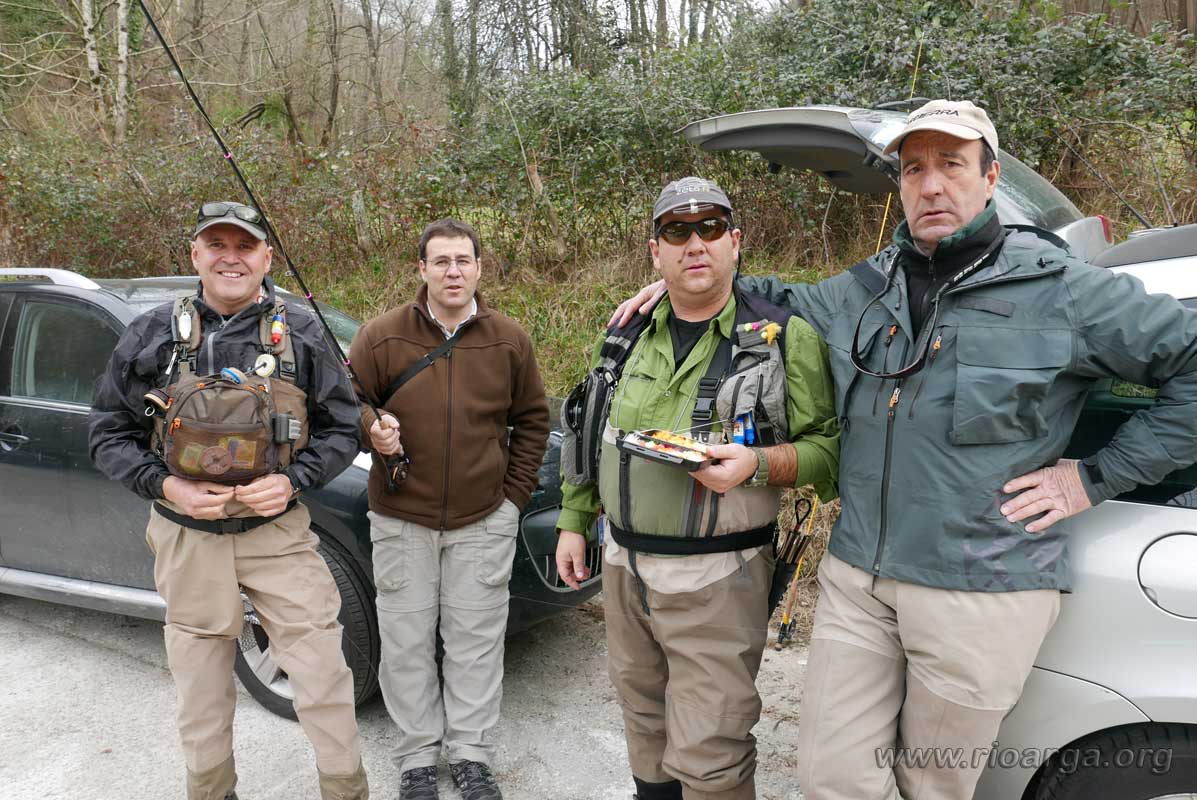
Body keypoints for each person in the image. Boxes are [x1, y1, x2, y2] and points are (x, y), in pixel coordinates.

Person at [609, 101, 1197, 799]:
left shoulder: (1061, 291)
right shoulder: (866, 288)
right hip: (859, 577)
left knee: (932, 787)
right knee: (831, 778)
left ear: (990, 177)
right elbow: (780, 302)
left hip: (980, 583)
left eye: (951, 164)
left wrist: (1095, 476)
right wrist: (688, 282)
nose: (931, 184)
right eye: (914, 169)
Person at [556, 177, 839, 800]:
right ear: (655, 252)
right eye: (677, 232)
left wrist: (756, 464)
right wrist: (574, 521)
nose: (695, 244)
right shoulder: (626, 331)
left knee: (712, 747)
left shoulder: (781, 337)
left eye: (710, 228)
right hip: (624, 567)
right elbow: (590, 429)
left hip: (720, 578)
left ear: (735, 242)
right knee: (643, 723)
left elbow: (829, 450)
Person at [89, 201, 368, 800]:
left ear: (266, 258)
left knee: (322, 674)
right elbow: (107, 433)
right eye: (217, 245)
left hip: (278, 534)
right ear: (195, 255)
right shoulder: (152, 334)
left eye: (244, 246)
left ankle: (346, 790)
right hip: (186, 538)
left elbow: (345, 429)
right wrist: (168, 486)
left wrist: (294, 480)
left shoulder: (302, 333)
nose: (230, 259)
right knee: (201, 691)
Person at [348, 219, 549, 800]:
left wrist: (512, 500)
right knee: (406, 642)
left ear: (479, 268)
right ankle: (417, 759)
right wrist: (371, 429)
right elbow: (348, 403)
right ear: (422, 269)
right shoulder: (381, 337)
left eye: (463, 260)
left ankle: (470, 756)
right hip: (400, 520)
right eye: (441, 261)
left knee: (475, 645)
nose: (453, 272)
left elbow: (533, 421)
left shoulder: (509, 340)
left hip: (483, 520)